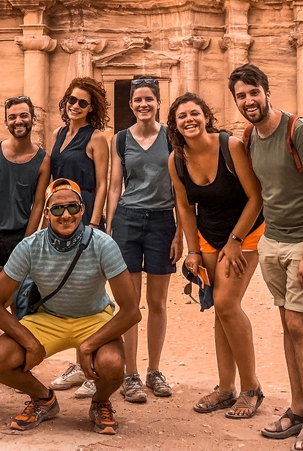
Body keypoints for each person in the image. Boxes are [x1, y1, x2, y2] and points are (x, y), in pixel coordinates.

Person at [229, 64, 303, 451]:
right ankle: (296, 409)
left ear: (266, 91)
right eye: (241, 96)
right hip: (273, 241)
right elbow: (260, 193)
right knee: (288, 324)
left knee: (299, 325)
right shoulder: (250, 137)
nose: (248, 101)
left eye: (253, 92)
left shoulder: (299, 130)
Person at [0, 178, 141, 435]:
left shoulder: (103, 244)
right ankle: (43, 399)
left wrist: (89, 344)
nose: (65, 215)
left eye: (72, 207)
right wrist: (29, 342)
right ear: (46, 213)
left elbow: (131, 310)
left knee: (112, 364)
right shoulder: (30, 247)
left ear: (82, 210)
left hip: (93, 317)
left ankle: (101, 402)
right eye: (57, 209)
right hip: (49, 318)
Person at [166, 93, 266, 420]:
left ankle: (251, 388)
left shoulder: (231, 147)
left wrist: (236, 240)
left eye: (195, 113)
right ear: (175, 125)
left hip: (246, 229)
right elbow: (184, 206)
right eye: (182, 116)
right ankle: (226, 389)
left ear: (206, 116)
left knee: (225, 303)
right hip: (208, 236)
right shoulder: (176, 159)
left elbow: (256, 197)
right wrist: (192, 249)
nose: (189, 120)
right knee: (220, 310)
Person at [106, 77, 181, 403]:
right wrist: (108, 229)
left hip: (163, 221)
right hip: (128, 220)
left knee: (158, 303)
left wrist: (180, 231)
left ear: (158, 102)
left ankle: (155, 370)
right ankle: (131, 374)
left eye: (149, 99)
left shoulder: (173, 137)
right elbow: (114, 185)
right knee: (129, 304)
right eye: (138, 100)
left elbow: (181, 187)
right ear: (131, 104)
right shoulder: (120, 140)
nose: (143, 104)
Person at [0, 95, 51, 387]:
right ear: (6, 121)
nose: (18, 121)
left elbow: (39, 205)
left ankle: (15, 357)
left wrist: (28, 243)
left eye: (23, 116)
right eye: (13, 116)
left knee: (20, 303)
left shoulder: (43, 159)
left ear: (33, 118)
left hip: (21, 238)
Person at [49, 76, 110, 398]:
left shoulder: (97, 138)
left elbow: (102, 182)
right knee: (70, 290)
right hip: (60, 216)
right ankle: (79, 363)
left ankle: (92, 370)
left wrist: (96, 223)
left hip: (82, 216)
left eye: (82, 102)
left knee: (88, 290)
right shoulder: (59, 134)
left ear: (92, 107)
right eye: (71, 100)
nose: (75, 106)